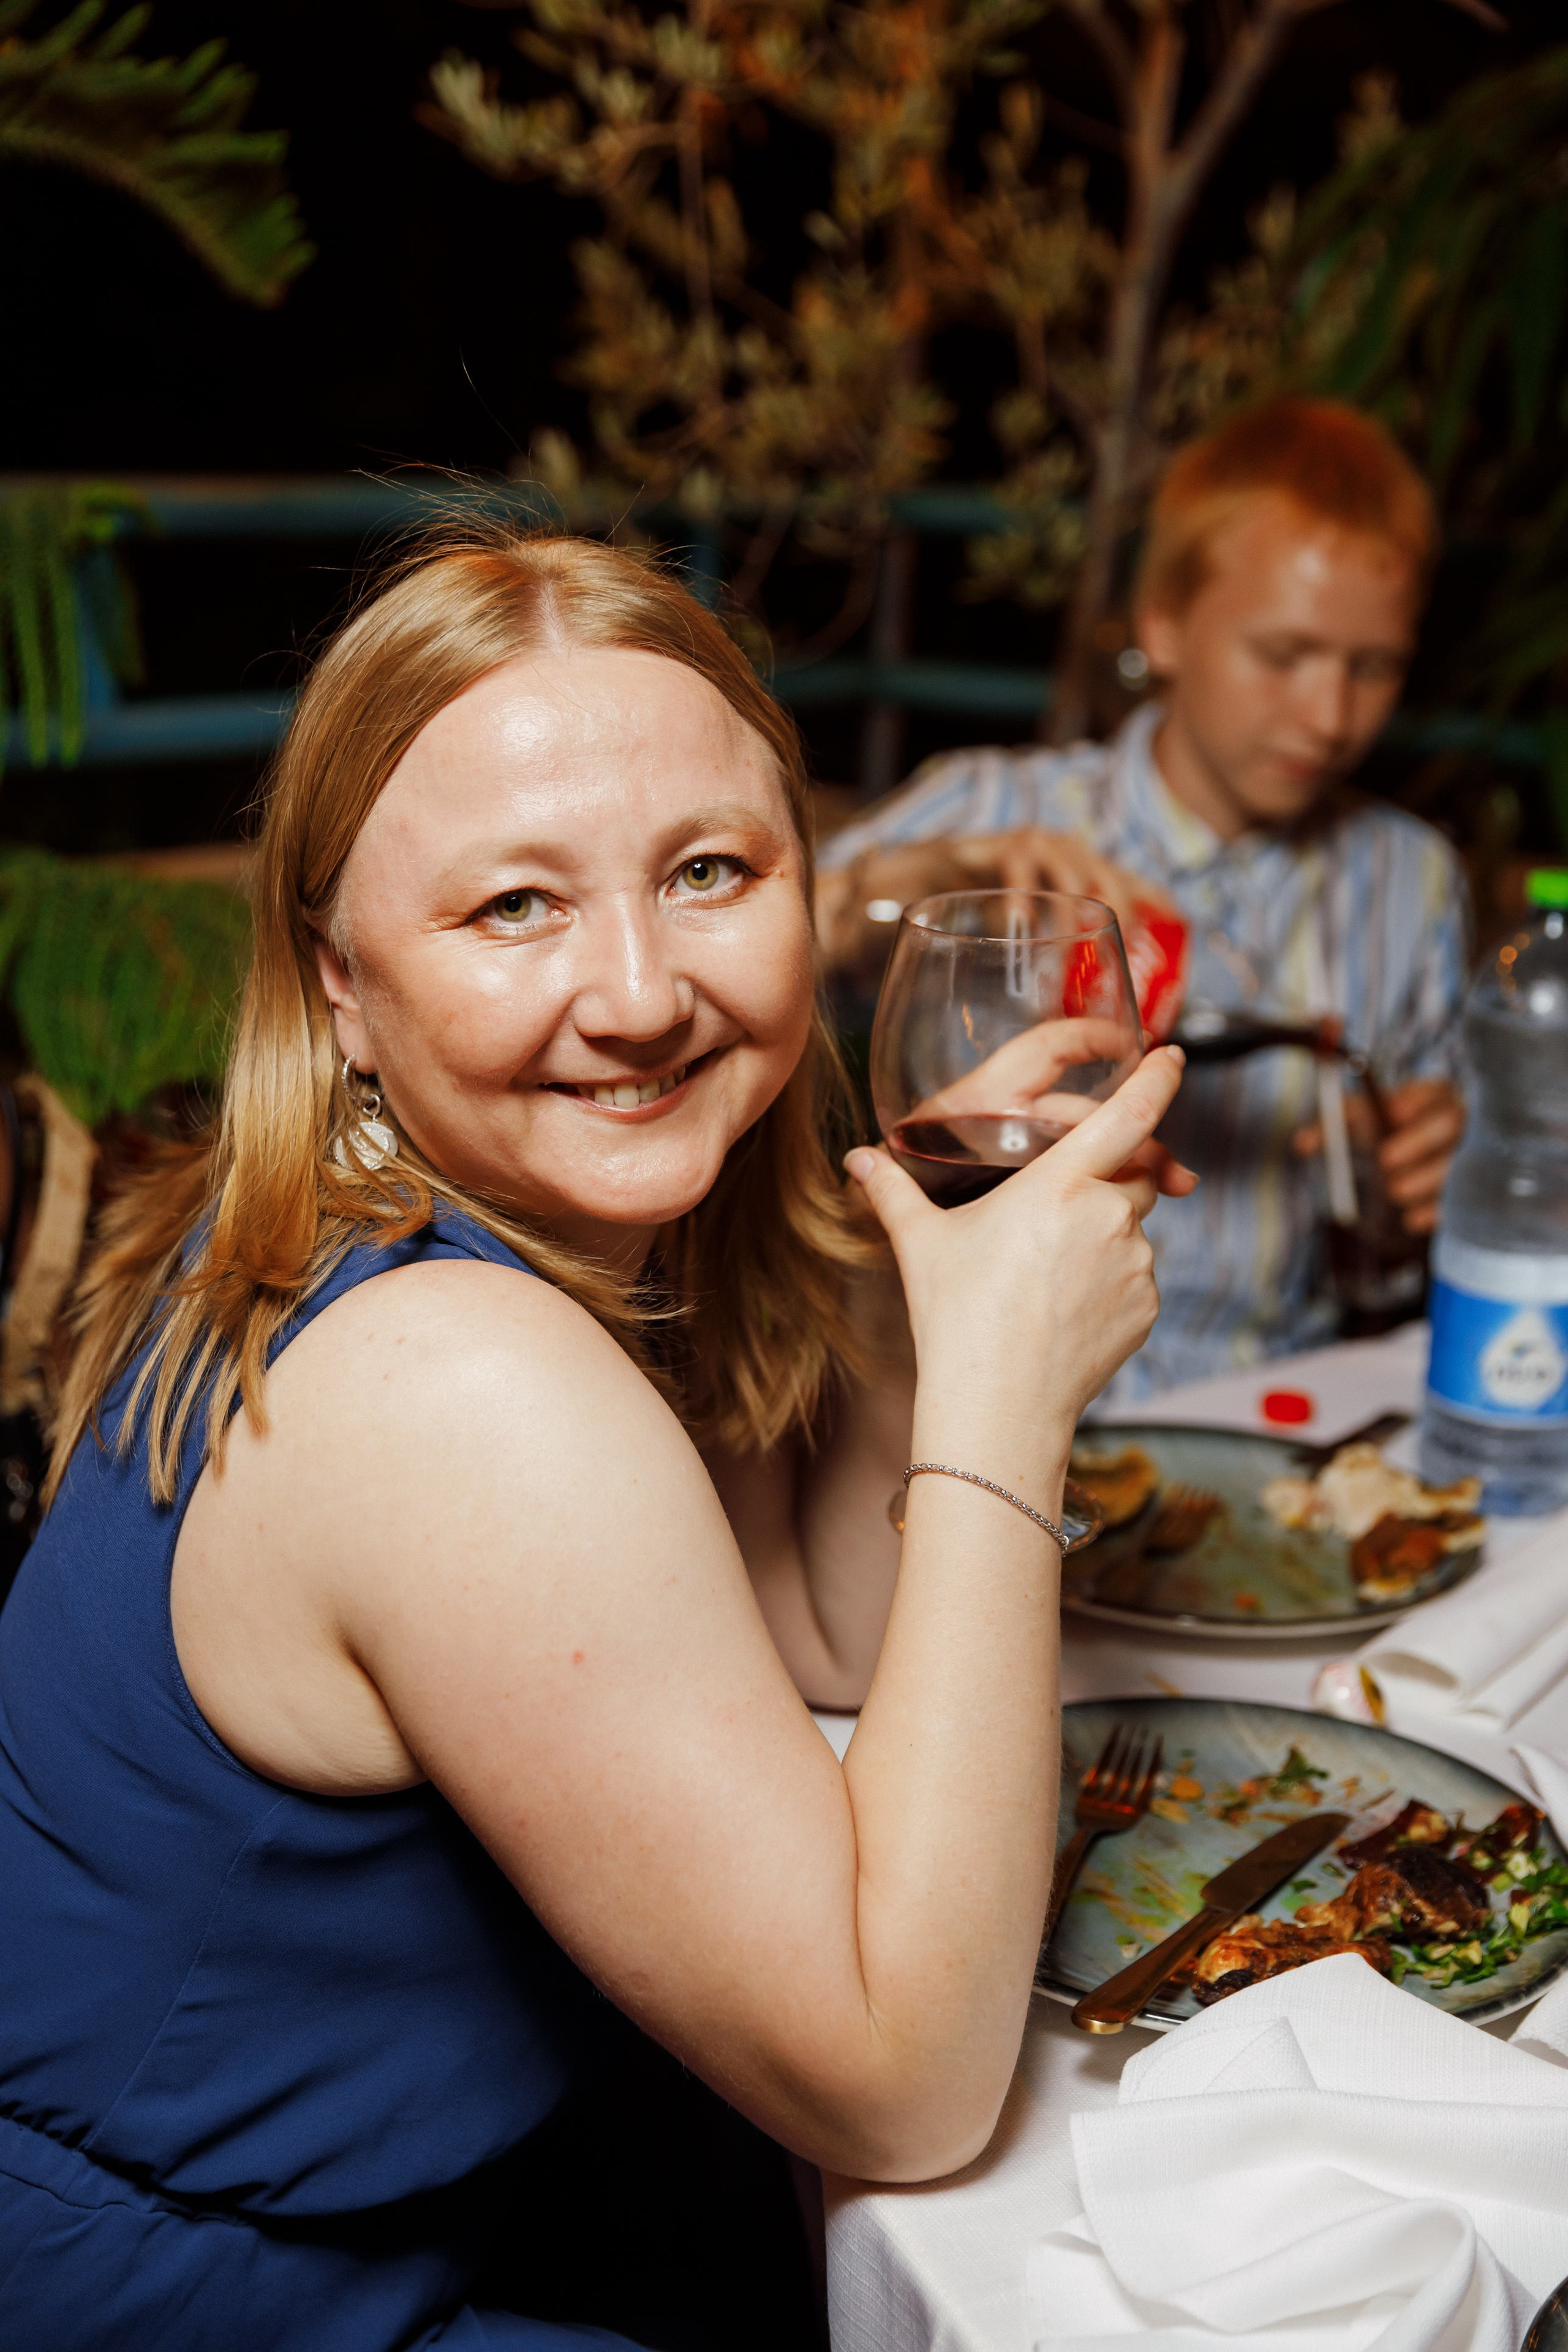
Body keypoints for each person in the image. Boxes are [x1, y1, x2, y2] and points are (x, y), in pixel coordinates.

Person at [0, 531, 1193, 2351]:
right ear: (338, 984)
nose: (640, 995)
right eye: (514, 908)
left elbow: (824, 1635)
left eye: (709, 871)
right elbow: (904, 2085)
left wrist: (919, 1284)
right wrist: (1005, 1403)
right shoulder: (455, 1382)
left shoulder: (408, 1229)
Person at [816, 398, 1469, 1394]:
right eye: (1283, 655)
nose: (1330, 715)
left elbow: (1427, 1176)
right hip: (977, 1391)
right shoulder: (995, 804)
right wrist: (905, 890)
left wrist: (1432, 1157)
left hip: (1272, 1401)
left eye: (1373, 669)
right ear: (1164, 625)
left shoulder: (1409, 878)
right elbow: (787, 945)